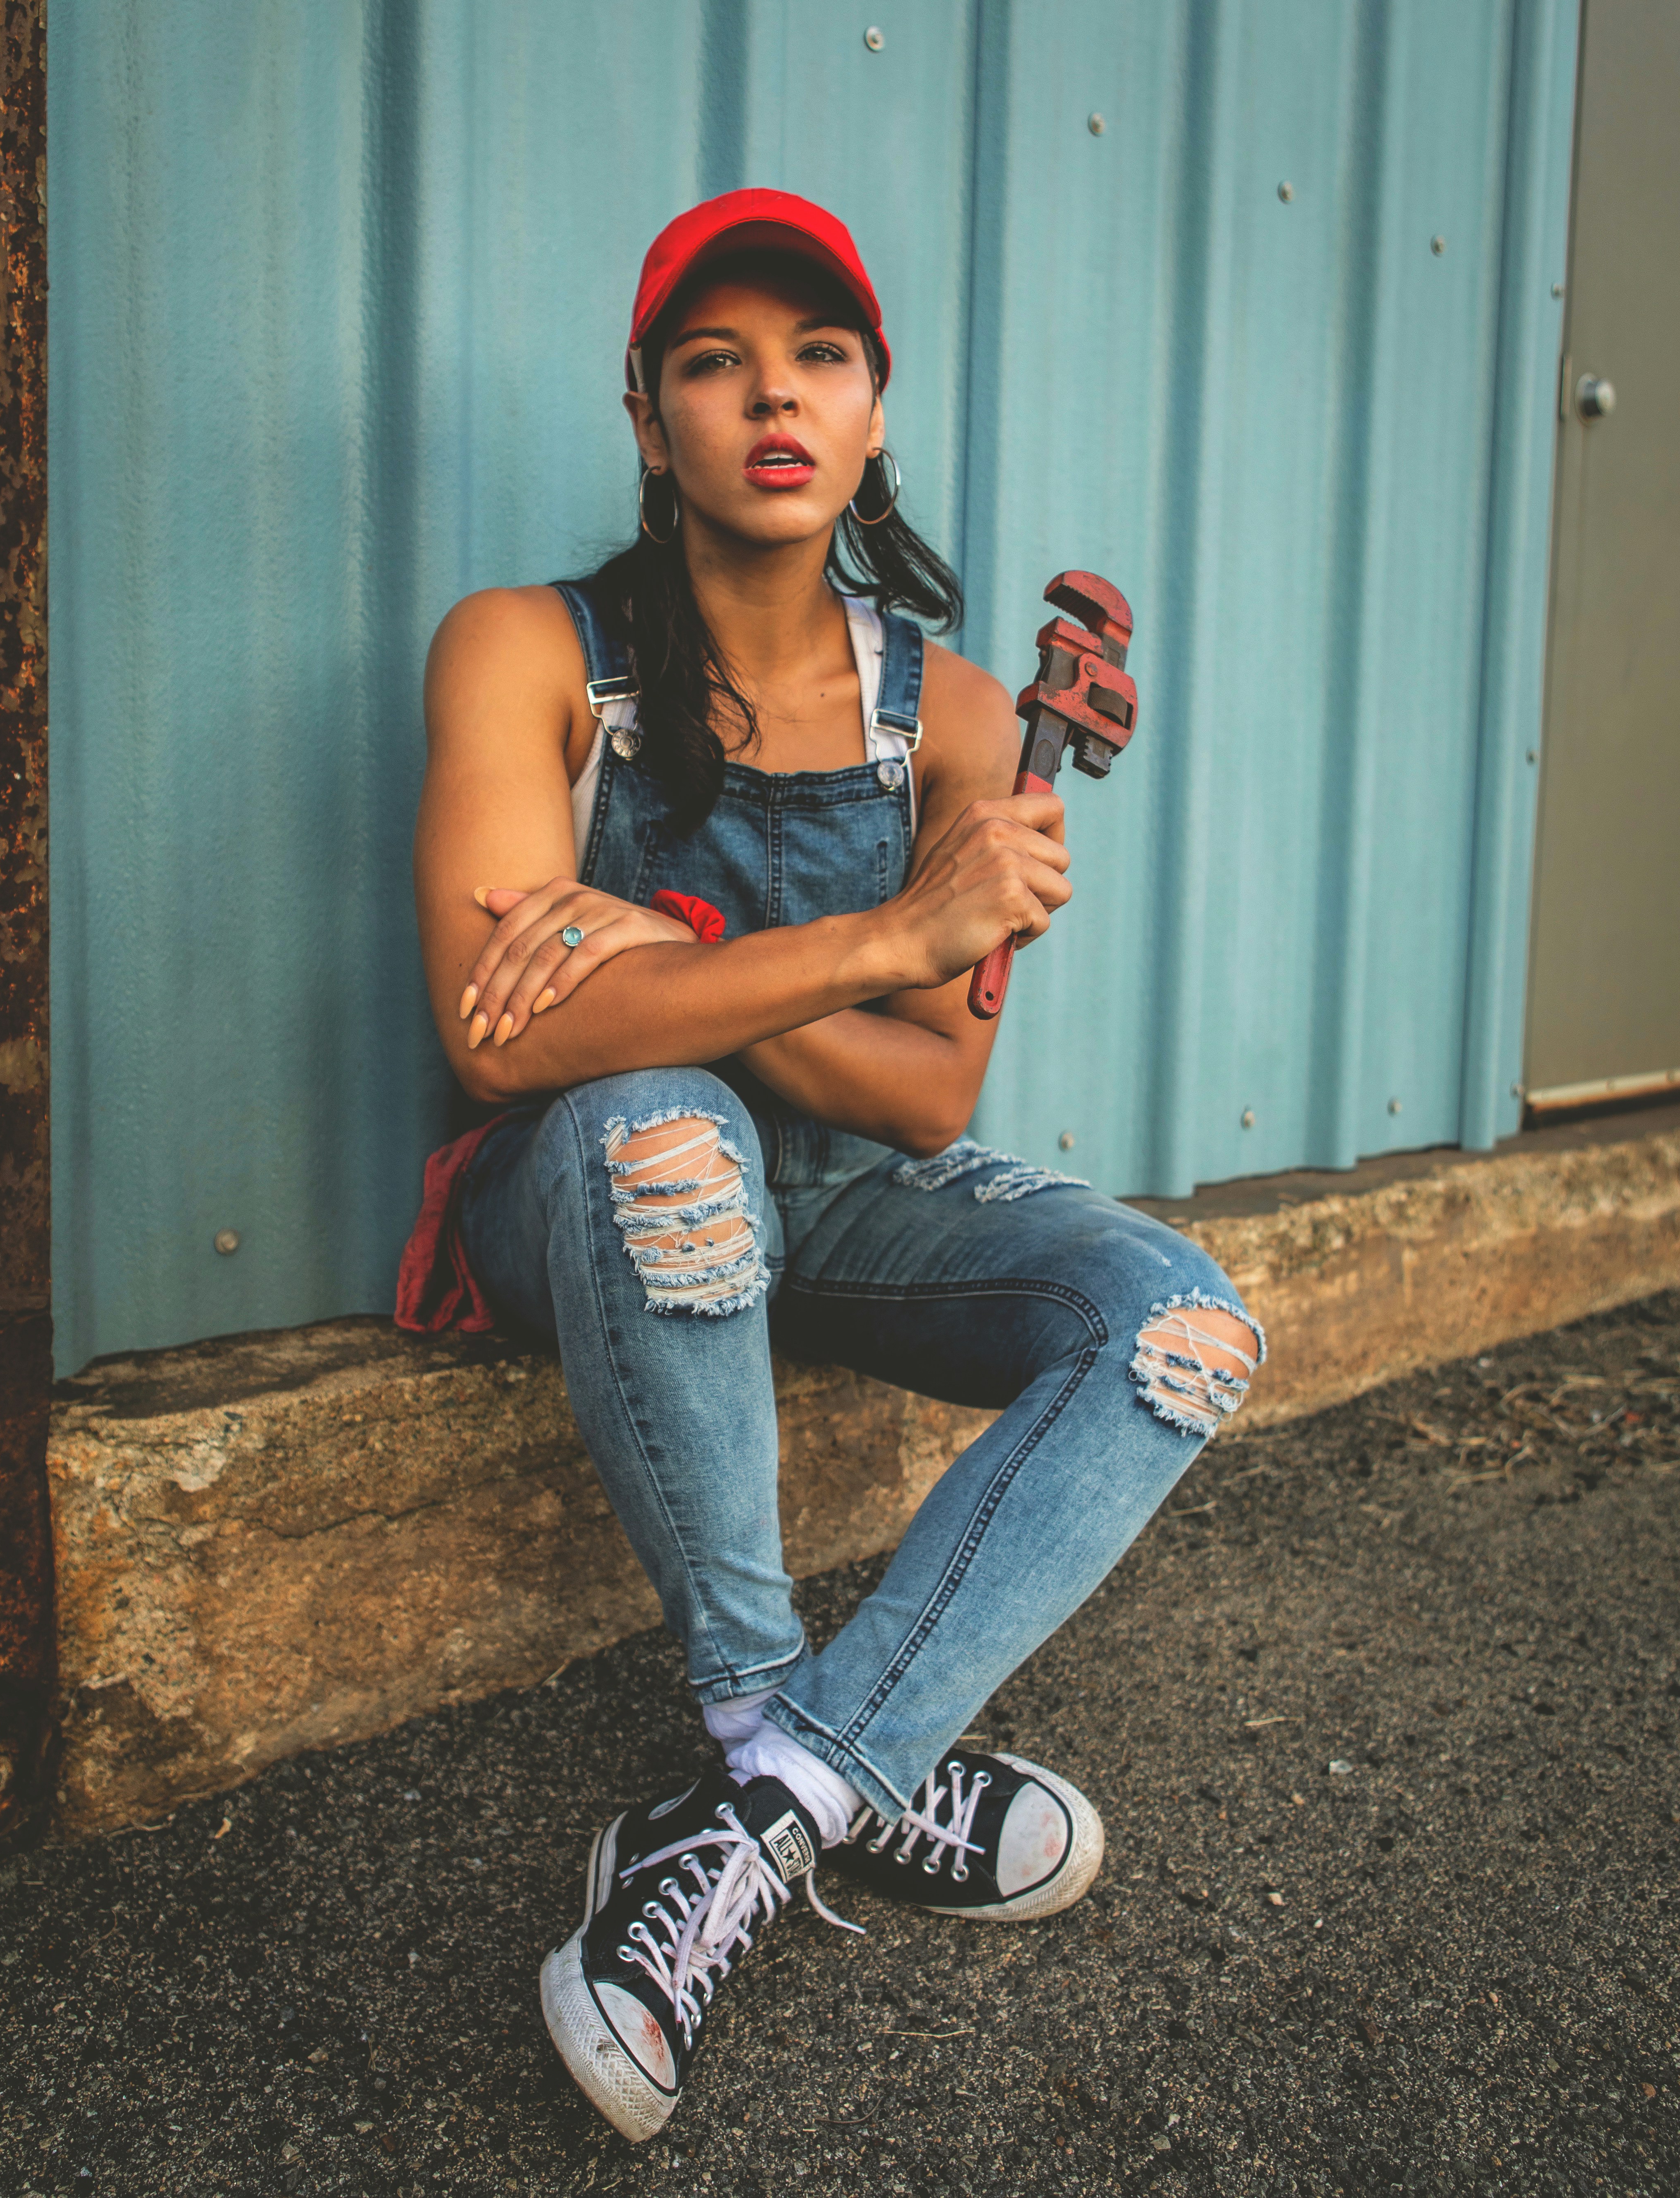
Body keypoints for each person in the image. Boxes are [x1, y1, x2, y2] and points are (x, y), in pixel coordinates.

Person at [409, 189, 1263, 2143]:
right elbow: (499, 1033)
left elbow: (922, 1107)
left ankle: (767, 1800)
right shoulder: (529, 652)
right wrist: (876, 945)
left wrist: (672, 956)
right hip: (589, 1198)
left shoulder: (964, 717)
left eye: (818, 358)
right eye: (713, 361)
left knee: (1181, 1325)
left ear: (874, 409)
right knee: (658, 1123)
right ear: (647, 419)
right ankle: (789, 1714)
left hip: (846, 1203)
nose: (769, 397)